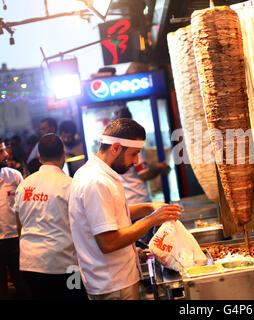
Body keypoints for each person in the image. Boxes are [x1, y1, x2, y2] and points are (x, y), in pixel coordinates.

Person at [68, 118, 181, 300]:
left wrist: (150, 207)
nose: (136, 161)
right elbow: (108, 243)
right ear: (115, 148)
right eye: (134, 154)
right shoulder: (96, 181)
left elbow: (114, 213)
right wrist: (152, 219)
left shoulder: (96, 174)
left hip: (116, 278)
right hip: (113, 284)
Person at [14, 134, 87, 300]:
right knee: (75, 297)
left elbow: (19, 225)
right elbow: (81, 227)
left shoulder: (24, 185)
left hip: (29, 265)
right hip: (68, 266)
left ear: (39, 157)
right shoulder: (70, 185)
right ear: (63, 154)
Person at [112, 107, 171, 247]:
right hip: (137, 203)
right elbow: (144, 174)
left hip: (129, 206)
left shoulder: (122, 149)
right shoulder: (133, 145)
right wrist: (159, 168)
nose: (134, 160)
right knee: (145, 249)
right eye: (134, 155)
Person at [0, 139, 29, 299]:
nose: (5, 154)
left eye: (4, 150)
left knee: (23, 284)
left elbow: (26, 206)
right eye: (0, 151)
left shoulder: (14, 175)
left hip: (15, 239)